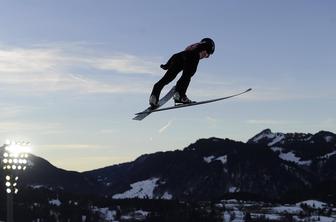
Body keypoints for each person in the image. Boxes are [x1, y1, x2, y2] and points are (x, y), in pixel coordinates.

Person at [149, 38, 215, 107]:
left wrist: (167, 65)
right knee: (187, 75)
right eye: (208, 55)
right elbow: (197, 53)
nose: (205, 56)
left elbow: (180, 54)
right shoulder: (207, 45)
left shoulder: (194, 45)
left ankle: (154, 97)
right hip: (191, 57)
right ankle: (180, 96)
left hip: (178, 56)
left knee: (167, 78)